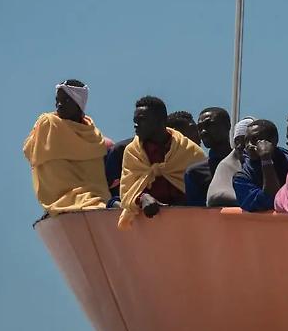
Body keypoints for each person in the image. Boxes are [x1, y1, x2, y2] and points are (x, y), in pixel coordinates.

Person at [22, 80, 112, 216]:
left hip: (97, 198)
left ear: (78, 103)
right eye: (57, 100)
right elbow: (29, 150)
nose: (59, 104)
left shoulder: (93, 135)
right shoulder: (49, 123)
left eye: (66, 100)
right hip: (59, 199)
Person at [118, 96, 206, 229]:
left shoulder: (190, 151)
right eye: (135, 120)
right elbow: (127, 193)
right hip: (146, 228)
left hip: (187, 227)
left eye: (142, 120)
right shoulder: (132, 152)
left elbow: (202, 194)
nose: (136, 125)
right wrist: (143, 198)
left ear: (160, 121)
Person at [232, 119, 288, 212]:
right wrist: (266, 160)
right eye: (246, 141)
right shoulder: (242, 177)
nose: (248, 146)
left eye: (255, 140)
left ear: (274, 140)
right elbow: (270, 199)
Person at [183, 107, 232, 206]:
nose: (203, 132)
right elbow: (197, 212)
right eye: (200, 128)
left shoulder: (243, 164)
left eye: (209, 125)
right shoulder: (195, 172)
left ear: (227, 125)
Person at [206, 117, 254, 207]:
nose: (240, 146)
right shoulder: (226, 165)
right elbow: (215, 196)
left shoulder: (268, 164)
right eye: (237, 141)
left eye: (246, 140)